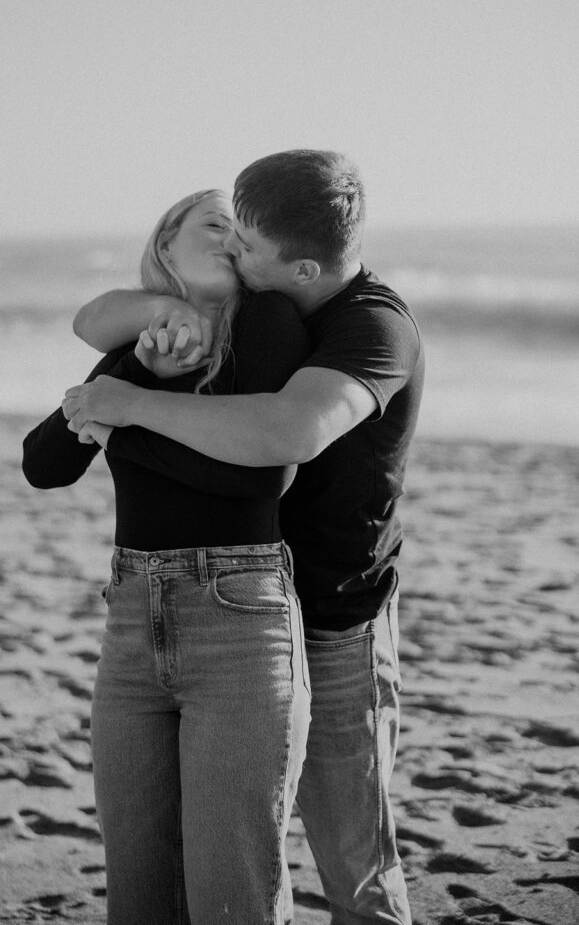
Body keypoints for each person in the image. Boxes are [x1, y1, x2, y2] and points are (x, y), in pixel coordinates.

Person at [63, 151, 425, 925]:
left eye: (246, 247)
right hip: (242, 609)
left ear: (298, 266)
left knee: (350, 863)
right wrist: (176, 312)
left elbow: (281, 433)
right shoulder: (254, 306)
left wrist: (129, 405)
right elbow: (98, 317)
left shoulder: (372, 326)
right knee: (231, 857)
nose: (233, 252)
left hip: (333, 620)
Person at [22, 189, 311, 925]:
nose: (231, 236)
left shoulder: (269, 325)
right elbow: (44, 462)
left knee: (230, 894)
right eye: (215, 222)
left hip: (238, 619)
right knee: (139, 890)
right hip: (129, 622)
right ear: (165, 247)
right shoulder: (139, 348)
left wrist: (123, 424)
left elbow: (255, 479)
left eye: (242, 230)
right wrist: (138, 379)